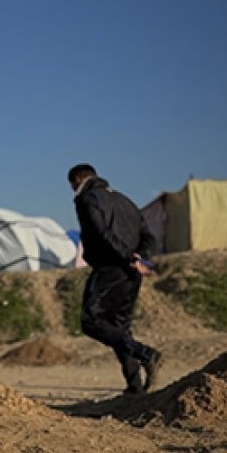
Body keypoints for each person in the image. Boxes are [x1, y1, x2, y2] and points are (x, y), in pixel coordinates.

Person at [68, 164, 163, 394]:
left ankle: (146, 353)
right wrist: (141, 259)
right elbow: (149, 237)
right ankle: (134, 387)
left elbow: (101, 233)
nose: (72, 190)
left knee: (91, 321)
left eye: (72, 185)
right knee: (119, 327)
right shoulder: (124, 200)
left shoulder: (88, 199)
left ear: (78, 179)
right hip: (131, 271)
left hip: (110, 268)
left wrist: (129, 257)